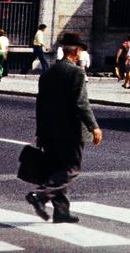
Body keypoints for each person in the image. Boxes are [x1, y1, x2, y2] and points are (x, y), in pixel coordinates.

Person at [25, 31, 102, 224]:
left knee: (57, 168)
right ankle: (40, 194)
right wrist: (94, 127)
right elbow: (81, 103)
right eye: (81, 51)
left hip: (50, 131)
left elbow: (40, 105)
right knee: (71, 169)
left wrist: (40, 132)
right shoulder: (76, 73)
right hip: (71, 132)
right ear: (76, 51)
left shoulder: (48, 73)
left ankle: (61, 212)